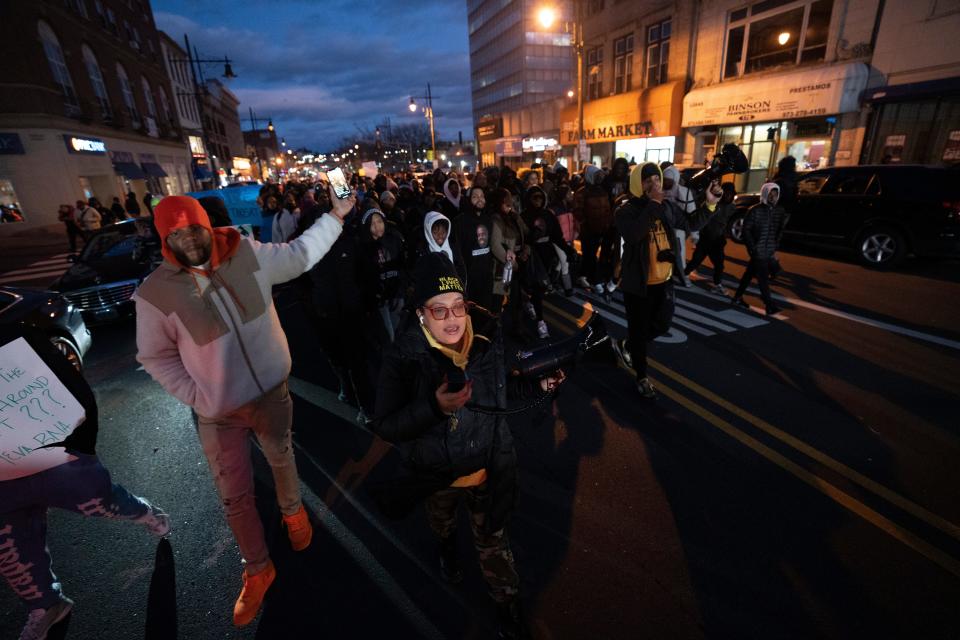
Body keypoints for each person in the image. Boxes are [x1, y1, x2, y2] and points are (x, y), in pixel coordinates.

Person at [134, 187, 354, 627]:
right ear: (165, 241)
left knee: (281, 456)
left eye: (195, 228)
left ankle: (293, 513)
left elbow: (299, 254)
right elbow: (154, 357)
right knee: (233, 495)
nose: (190, 240)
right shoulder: (154, 294)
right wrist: (198, 397)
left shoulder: (247, 252)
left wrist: (337, 214)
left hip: (271, 394)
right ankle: (258, 568)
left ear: (206, 225)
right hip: (217, 412)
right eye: (177, 235)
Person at [371, 252, 563, 640]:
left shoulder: (486, 340)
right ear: (420, 314)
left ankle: (507, 606)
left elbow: (500, 394)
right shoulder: (403, 357)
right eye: (439, 311)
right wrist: (433, 408)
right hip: (435, 475)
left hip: (486, 467)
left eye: (458, 306)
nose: (453, 319)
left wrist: (537, 387)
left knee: (493, 540)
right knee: (442, 523)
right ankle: (445, 547)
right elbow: (387, 425)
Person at [1, 326, 169, 640]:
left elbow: (66, 382)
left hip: (51, 454)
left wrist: (80, 442)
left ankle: (146, 513)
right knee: (12, 548)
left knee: (102, 502)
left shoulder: (11, 325)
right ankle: (46, 605)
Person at [613, 163, 719, 398]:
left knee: (662, 325)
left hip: (664, 281)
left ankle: (628, 345)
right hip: (638, 285)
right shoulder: (625, 211)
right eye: (647, 180)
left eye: (657, 179)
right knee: (639, 332)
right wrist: (652, 204)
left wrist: (710, 202)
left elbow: (691, 223)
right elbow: (633, 235)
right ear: (636, 184)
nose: (654, 184)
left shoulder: (667, 207)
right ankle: (642, 377)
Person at [732, 183, 788, 316]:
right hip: (758, 250)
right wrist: (752, 248)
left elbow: (780, 229)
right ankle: (769, 305)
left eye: (775, 194)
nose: (773, 197)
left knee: (749, 274)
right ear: (765, 194)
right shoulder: (755, 210)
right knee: (762, 277)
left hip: (768, 250)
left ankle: (737, 297)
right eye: (770, 194)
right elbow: (746, 230)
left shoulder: (779, 210)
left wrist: (775, 245)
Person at [684, 182, 736, 294]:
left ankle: (717, 284)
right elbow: (702, 217)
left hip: (718, 241)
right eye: (726, 193)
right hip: (705, 238)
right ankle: (683, 274)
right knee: (696, 260)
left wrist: (724, 235)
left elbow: (729, 223)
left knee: (719, 264)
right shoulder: (714, 202)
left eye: (730, 194)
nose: (728, 196)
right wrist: (697, 235)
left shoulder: (732, 207)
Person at [573, 165, 615, 294]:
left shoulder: (602, 190)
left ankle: (585, 277)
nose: (599, 178)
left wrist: (607, 224)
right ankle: (593, 280)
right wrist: (586, 225)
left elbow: (607, 210)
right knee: (590, 255)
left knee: (593, 255)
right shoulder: (582, 192)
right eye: (596, 176)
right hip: (589, 230)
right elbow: (578, 212)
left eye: (600, 176)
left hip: (602, 228)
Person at [453, 185, 496, 312]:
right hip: (469, 278)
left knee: (485, 311)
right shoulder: (459, 221)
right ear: (468, 200)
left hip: (486, 276)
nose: (480, 199)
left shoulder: (488, 219)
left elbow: (492, 244)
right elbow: (456, 249)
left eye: (482, 196)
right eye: (475, 197)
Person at [661, 163, 696, 287]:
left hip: (677, 228)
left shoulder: (683, 192)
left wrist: (695, 234)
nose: (666, 183)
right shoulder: (659, 189)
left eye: (669, 180)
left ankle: (683, 276)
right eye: (664, 180)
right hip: (661, 227)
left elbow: (692, 214)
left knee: (679, 253)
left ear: (675, 179)